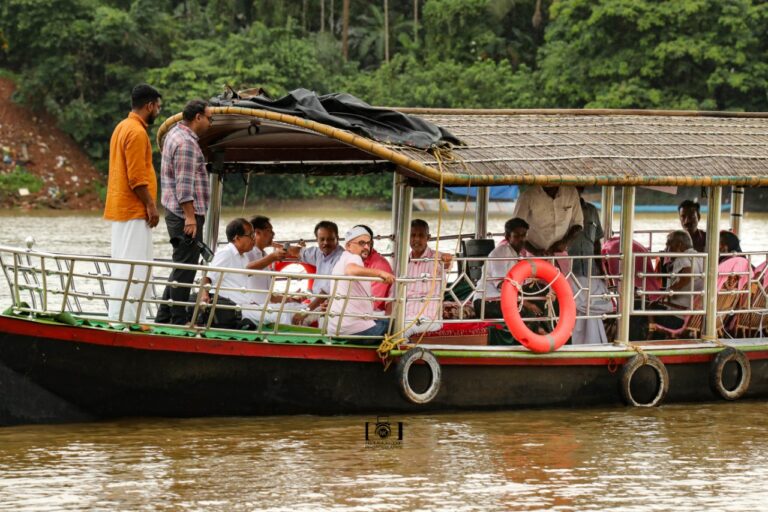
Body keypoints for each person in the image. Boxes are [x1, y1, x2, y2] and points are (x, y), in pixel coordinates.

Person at [103, 84, 162, 323]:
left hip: (122, 210)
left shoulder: (122, 127)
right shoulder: (136, 132)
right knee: (134, 269)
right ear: (149, 105)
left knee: (126, 266)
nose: (158, 111)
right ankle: (127, 321)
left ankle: (125, 318)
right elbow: (136, 178)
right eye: (158, 106)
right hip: (134, 210)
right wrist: (151, 205)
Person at [155, 99, 214, 325]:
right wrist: (190, 217)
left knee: (180, 267)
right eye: (209, 118)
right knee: (186, 269)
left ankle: (163, 318)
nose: (210, 123)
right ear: (198, 117)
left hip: (177, 212)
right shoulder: (187, 144)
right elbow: (184, 185)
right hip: (185, 215)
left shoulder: (174, 134)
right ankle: (178, 321)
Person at [326, 226, 395, 342]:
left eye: (369, 243)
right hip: (354, 331)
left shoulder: (342, 259)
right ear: (348, 246)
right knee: (396, 325)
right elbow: (351, 270)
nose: (367, 247)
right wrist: (380, 273)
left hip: (336, 330)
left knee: (384, 321)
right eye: (362, 243)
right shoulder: (354, 258)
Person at [567, 188, 612, 344]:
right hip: (569, 270)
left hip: (590, 269)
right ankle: (575, 344)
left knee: (592, 307)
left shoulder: (592, 210)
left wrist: (601, 269)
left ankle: (594, 343)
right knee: (576, 309)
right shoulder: (562, 211)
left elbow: (597, 243)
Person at [398, 219, 453, 339]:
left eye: (421, 235)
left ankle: (402, 350)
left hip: (428, 317)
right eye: (413, 235)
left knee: (402, 331)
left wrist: (447, 260)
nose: (416, 239)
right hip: (405, 314)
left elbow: (447, 264)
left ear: (428, 238)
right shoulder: (403, 261)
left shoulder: (437, 257)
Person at [244, 216, 303, 326]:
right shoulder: (248, 253)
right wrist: (272, 257)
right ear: (257, 232)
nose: (273, 234)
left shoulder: (264, 255)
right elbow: (246, 270)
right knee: (285, 315)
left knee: (302, 309)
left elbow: (270, 296)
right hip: (253, 306)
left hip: (267, 305)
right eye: (269, 231)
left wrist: (290, 299)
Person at [473, 217, 533, 319]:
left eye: (523, 235)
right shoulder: (500, 253)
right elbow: (503, 285)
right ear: (507, 237)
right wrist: (527, 303)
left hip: (502, 299)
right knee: (526, 312)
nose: (521, 239)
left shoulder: (517, 256)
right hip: (486, 301)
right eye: (516, 236)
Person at [649, 230, 704, 332]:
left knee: (641, 307)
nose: (666, 249)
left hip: (677, 317)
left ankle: (648, 337)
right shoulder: (701, 258)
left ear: (679, 245)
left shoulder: (682, 258)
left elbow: (687, 275)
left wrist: (668, 292)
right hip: (695, 318)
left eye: (668, 245)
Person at [511, 185, 583, 256]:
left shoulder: (571, 192)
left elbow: (578, 224)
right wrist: (535, 251)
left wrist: (565, 242)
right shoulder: (527, 196)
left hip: (560, 253)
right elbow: (515, 229)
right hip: (534, 253)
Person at [354, 224, 394, 311]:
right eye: (360, 243)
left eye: (367, 243)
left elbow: (373, 302)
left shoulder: (380, 265)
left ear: (372, 243)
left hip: (374, 314)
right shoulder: (351, 259)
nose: (365, 247)